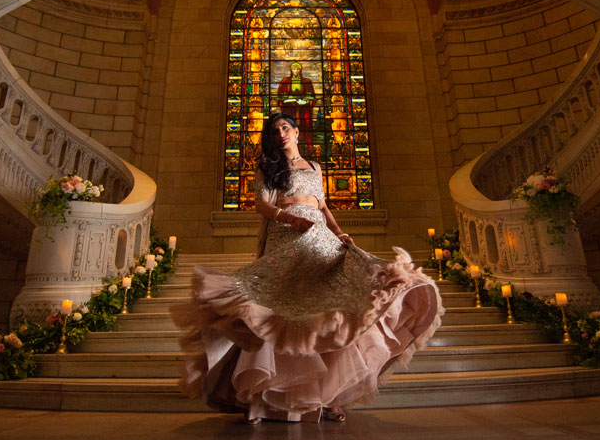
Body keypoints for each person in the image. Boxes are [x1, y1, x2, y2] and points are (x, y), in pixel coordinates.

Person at [170, 113, 443, 424]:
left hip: (319, 237)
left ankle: (330, 397)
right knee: (284, 311)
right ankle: (272, 398)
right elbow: (261, 204)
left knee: (331, 305)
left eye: (285, 127)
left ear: (297, 131)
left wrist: (339, 232)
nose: (281, 133)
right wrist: (292, 220)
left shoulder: (315, 167)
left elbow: (323, 205)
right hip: (286, 237)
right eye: (274, 131)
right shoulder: (269, 167)